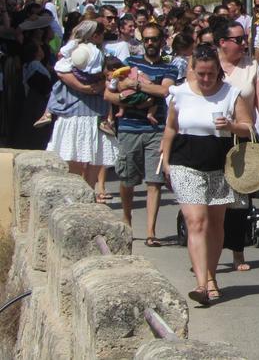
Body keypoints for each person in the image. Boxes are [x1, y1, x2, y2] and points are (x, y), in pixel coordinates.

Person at [161, 43, 253, 307]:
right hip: (185, 163)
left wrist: (232, 125)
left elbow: (248, 128)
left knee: (215, 224)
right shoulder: (178, 94)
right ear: (192, 69)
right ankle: (201, 284)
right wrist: (166, 161)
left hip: (220, 163)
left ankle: (212, 277)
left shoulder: (231, 94)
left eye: (210, 74)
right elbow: (170, 128)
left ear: (218, 72)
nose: (205, 79)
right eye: (200, 73)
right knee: (196, 222)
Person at [107, 22, 179, 246]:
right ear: (142, 40)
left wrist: (135, 84)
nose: (150, 43)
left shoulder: (170, 67)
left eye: (154, 39)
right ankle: (127, 220)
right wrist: (133, 101)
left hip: (156, 129)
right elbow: (110, 93)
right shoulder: (130, 62)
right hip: (129, 127)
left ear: (161, 40)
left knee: (154, 181)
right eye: (146, 39)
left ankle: (150, 232)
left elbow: (164, 90)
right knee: (127, 178)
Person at [213, 18, 259, 271]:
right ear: (222, 42)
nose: (244, 43)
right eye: (238, 40)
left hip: (242, 137)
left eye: (245, 38)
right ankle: (209, 256)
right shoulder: (208, 64)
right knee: (212, 200)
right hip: (212, 139)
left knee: (239, 199)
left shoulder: (252, 66)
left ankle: (238, 252)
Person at [45, 21, 114, 189]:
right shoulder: (74, 51)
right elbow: (61, 71)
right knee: (73, 156)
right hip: (74, 108)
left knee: (95, 157)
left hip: (96, 109)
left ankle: (89, 191)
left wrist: (100, 83)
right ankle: (77, 193)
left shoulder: (98, 53)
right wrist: (83, 86)